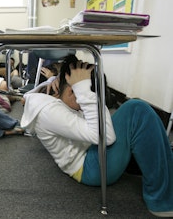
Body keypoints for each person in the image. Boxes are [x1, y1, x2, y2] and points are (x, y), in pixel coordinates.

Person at [20, 55, 173, 217]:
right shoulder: (49, 111)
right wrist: (83, 89)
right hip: (88, 168)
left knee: (141, 122)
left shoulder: (54, 99)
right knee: (136, 109)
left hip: (93, 148)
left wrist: (54, 80)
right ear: (73, 91)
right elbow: (106, 137)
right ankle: (162, 202)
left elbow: (27, 96)